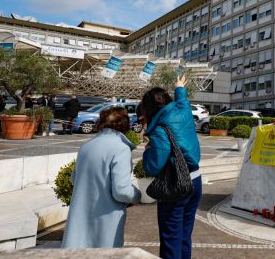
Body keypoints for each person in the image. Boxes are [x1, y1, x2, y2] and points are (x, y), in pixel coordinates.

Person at [62, 107, 141, 248]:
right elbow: (121, 190)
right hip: (107, 220)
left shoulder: (87, 146)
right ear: (124, 124)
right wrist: (137, 195)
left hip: (80, 219)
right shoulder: (121, 148)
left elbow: (74, 179)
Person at [142, 75, 201, 259]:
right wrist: (179, 87)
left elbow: (153, 166)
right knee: (184, 235)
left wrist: (147, 149)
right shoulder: (183, 111)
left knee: (171, 238)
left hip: (177, 185)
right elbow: (182, 100)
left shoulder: (160, 130)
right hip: (196, 180)